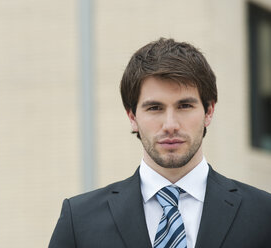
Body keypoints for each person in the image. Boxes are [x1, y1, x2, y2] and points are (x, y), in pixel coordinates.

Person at [48, 38, 271, 248]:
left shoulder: (263, 214)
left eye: (184, 106)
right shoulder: (79, 220)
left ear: (209, 111)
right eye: (155, 108)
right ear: (132, 117)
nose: (170, 124)